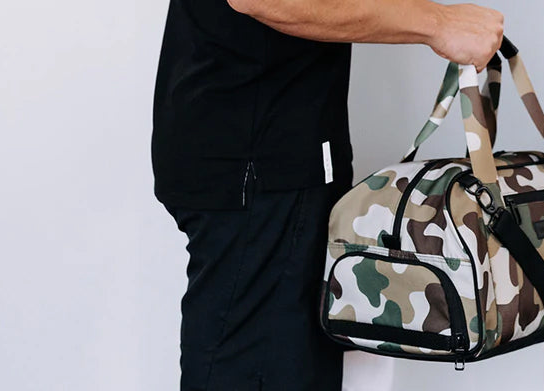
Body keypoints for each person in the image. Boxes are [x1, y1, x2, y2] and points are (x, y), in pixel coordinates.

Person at [152, 0, 503, 389]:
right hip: (260, 168)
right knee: (260, 369)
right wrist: (440, 23)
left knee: (283, 364)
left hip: (266, 162)